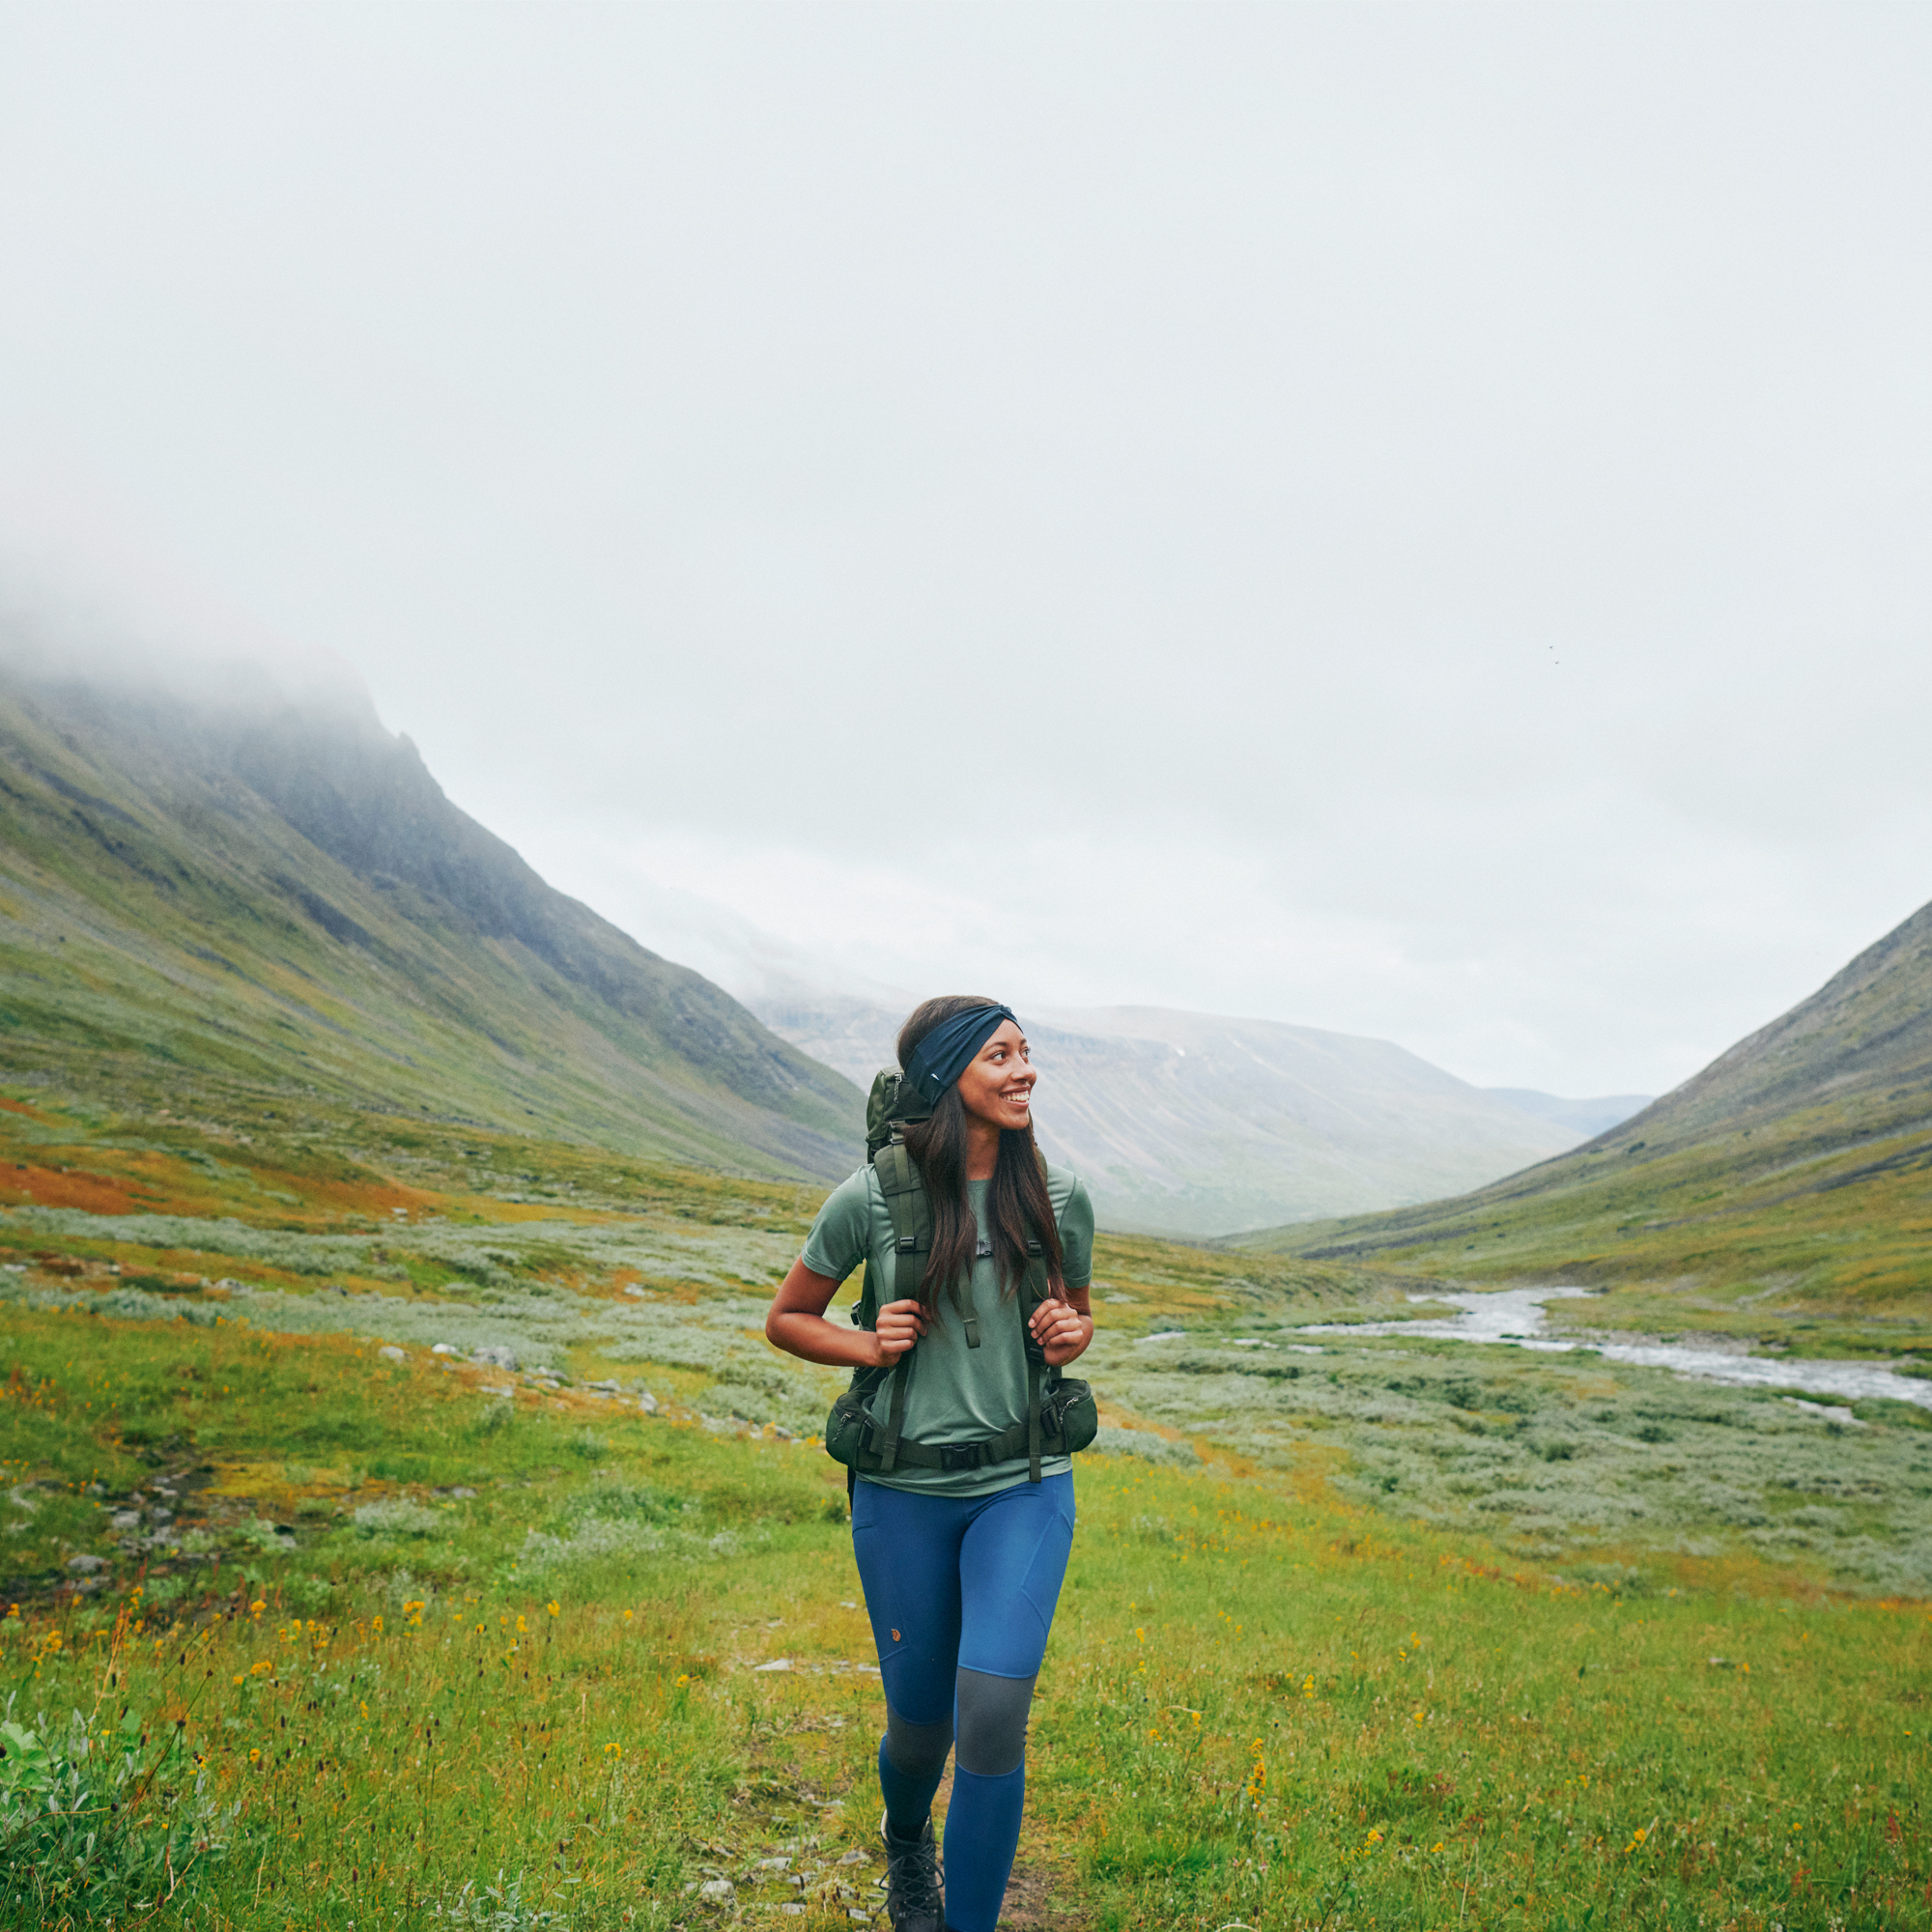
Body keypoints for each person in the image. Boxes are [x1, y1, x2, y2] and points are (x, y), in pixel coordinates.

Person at [765, 996, 1094, 1932]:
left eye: (1026, 1052)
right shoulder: (871, 1196)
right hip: (901, 1492)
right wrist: (865, 1344)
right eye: (1001, 1055)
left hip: (1023, 1485)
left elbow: (1075, 1313)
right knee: (920, 1728)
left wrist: (1070, 1332)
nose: (1025, 1071)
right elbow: (787, 1317)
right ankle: (906, 1841)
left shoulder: (1060, 1193)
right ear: (948, 1077)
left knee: (990, 1713)